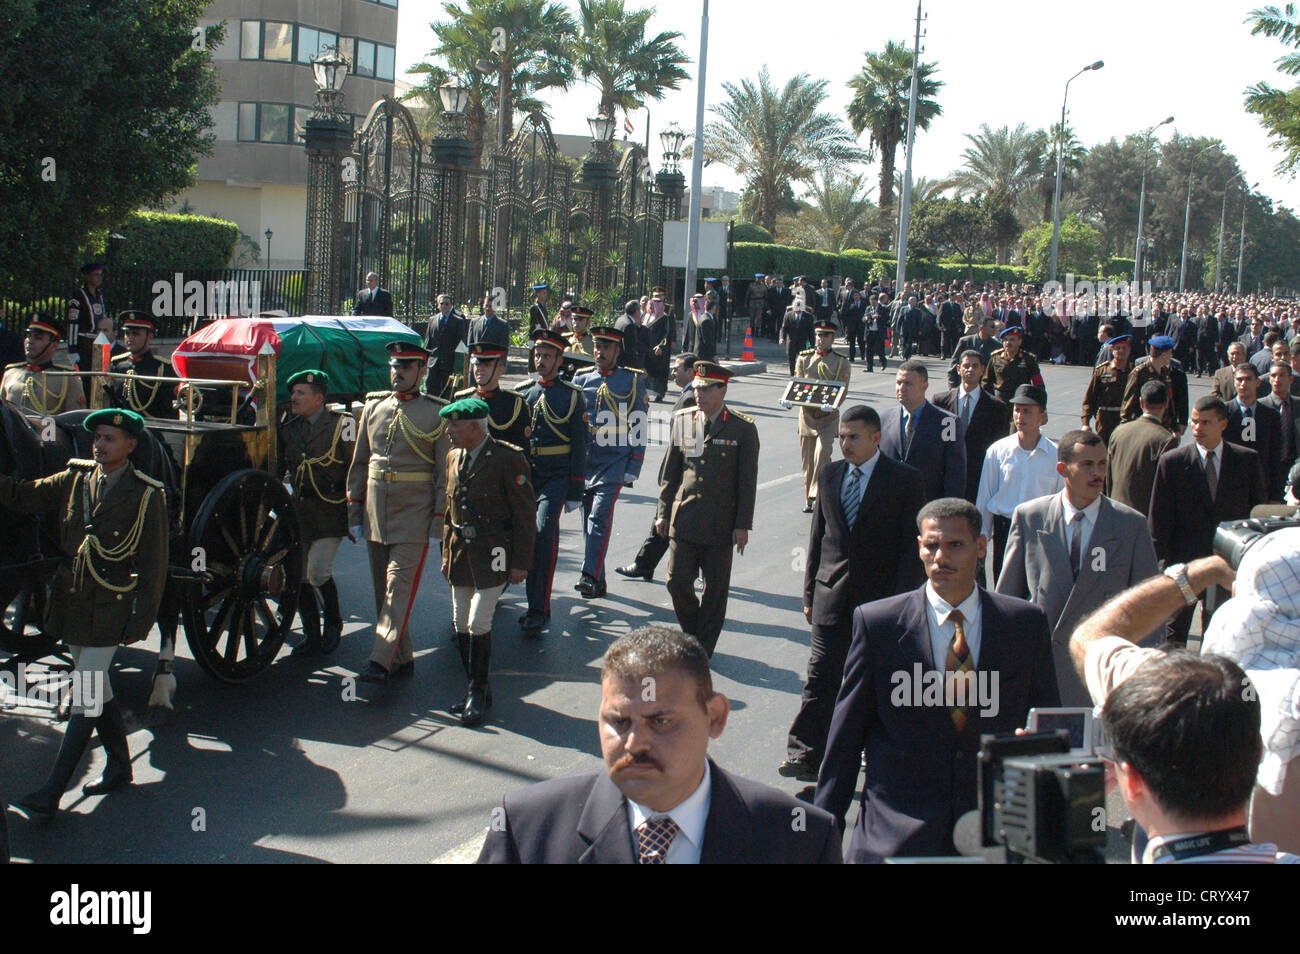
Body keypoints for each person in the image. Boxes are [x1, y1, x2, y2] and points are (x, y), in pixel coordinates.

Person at [814, 497, 1060, 863]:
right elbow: (845, 740)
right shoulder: (879, 625)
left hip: (991, 840)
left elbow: (1047, 731)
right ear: (919, 548)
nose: (941, 557)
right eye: (931, 545)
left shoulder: (1023, 625)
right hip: (895, 839)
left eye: (955, 545)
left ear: (981, 548)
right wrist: (822, 841)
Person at [477, 626, 841, 863]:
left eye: (661, 721)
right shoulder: (526, 832)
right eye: (619, 722)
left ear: (715, 717)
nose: (635, 744)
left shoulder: (801, 841)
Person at [1069, 555, 1300, 862]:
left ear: (1134, 783)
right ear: (1258, 752)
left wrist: (1197, 574)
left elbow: (1090, 638)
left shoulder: (1163, 687)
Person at [3, 409, 168, 820]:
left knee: (86, 694)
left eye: (110, 439)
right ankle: (120, 766)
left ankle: (52, 791)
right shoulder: (76, 477)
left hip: (111, 605)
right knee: (100, 692)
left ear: (131, 445)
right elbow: (26, 495)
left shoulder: (148, 495)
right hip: (73, 601)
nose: (100, 445)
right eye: (97, 438)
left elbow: (154, 567)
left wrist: (140, 621)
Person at [780, 405, 925, 782]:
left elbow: (912, 550)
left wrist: (904, 602)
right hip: (832, 595)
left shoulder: (904, 481)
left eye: (853, 437)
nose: (844, 443)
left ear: (876, 438)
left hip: (881, 603)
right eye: (841, 436)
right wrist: (810, 590)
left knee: (876, 680)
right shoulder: (829, 476)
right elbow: (819, 539)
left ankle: (871, 750)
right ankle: (805, 753)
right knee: (821, 675)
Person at [995, 429, 1158, 705]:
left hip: (1102, 676)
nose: (1098, 473)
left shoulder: (1131, 525)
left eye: (1102, 463)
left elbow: (1151, 608)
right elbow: (1007, 601)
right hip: (1042, 671)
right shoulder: (1030, 517)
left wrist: (1138, 674)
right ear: (1063, 469)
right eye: (1087, 465)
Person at [346, 342, 451, 684]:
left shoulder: (437, 413)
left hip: (414, 515)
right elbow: (360, 463)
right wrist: (354, 512)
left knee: (397, 587)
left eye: (407, 367)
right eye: (395, 366)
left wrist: (439, 519)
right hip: (377, 514)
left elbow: (442, 474)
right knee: (382, 591)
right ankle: (402, 656)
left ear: (422, 372)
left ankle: (379, 660)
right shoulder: (374, 407)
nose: (398, 372)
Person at [440, 397, 536, 726]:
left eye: (455, 424)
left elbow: (525, 515)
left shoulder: (508, 459)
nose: (448, 430)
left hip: (495, 551)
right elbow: (448, 512)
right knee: (460, 622)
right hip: (461, 553)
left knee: (479, 621)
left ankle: (477, 693)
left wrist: (521, 562)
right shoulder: (453, 457)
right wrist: (445, 555)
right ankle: (475, 689)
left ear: (475, 427)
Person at [656, 362, 759, 657]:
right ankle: (693, 635)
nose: (698, 394)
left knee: (715, 592)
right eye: (697, 388)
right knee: (676, 582)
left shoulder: (742, 428)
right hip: (685, 517)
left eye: (705, 388)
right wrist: (663, 512)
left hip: (720, 523)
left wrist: (743, 525)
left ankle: (702, 649)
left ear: (722, 390)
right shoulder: (684, 420)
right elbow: (670, 473)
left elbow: (746, 482)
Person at [1148, 395, 1266, 644]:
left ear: (1223, 424)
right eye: (1194, 422)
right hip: (1184, 567)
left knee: (1220, 636)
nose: (1197, 428)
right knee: (1174, 636)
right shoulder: (1173, 463)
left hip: (1227, 566)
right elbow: (1159, 522)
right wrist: (1163, 567)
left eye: (1205, 422)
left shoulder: (1246, 461)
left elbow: (1255, 516)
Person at [519, 330, 587, 635]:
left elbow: (579, 445)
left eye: (547, 356)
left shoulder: (572, 396)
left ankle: (538, 608)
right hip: (526, 475)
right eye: (538, 355)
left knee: (543, 533)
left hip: (556, 477)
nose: (541, 360)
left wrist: (575, 488)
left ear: (560, 360)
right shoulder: (524, 393)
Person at [277, 369, 349, 657]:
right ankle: (311, 633)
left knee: (318, 571)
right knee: (298, 575)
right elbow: (279, 469)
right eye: (292, 392)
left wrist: (358, 512)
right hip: (301, 512)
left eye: (300, 393)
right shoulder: (289, 427)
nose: (293, 398)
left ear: (319, 399)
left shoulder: (344, 425)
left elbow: (358, 467)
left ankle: (333, 624)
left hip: (332, 510)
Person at [573, 325, 648, 598]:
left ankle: (588, 574)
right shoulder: (581, 380)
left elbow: (638, 425)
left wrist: (634, 465)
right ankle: (598, 580)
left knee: (599, 516)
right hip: (586, 462)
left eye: (606, 347)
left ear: (618, 350)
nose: (599, 352)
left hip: (615, 461)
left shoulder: (632, 381)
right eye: (597, 346)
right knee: (587, 523)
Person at [615, 352, 697, 582]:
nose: (673, 371)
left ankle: (644, 564)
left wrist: (677, 474)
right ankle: (646, 565)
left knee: (664, 519)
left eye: (678, 368)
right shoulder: (687, 394)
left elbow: (687, 444)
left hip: (680, 471)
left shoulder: (691, 398)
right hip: (677, 470)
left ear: (691, 371)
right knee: (664, 519)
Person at [975, 384, 1063, 582]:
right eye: (1017, 410)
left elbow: (1061, 499)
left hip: (1041, 531)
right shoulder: (997, 451)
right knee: (1004, 585)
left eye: (1027, 411)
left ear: (1043, 416)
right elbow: (986, 495)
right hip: (1006, 529)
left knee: (1037, 587)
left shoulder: (1055, 455)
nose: (1020, 416)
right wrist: (981, 535)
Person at [784, 319, 851, 512]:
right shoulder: (804, 358)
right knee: (808, 461)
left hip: (827, 418)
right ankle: (809, 499)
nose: (820, 339)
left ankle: (819, 494)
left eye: (825, 336)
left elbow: (843, 389)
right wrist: (790, 400)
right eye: (818, 335)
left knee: (822, 454)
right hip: (807, 416)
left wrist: (834, 404)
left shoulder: (841, 361)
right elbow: (797, 384)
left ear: (833, 338)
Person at [878, 360, 965, 503]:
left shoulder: (947, 422)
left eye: (908, 384)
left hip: (928, 505)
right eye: (899, 383)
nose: (901, 388)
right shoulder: (883, 419)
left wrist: (950, 511)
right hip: (890, 507)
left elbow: (955, 473)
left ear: (924, 386)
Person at [931, 349, 1010, 504]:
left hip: (979, 479)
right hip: (945, 478)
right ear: (958, 369)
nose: (970, 369)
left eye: (975, 366)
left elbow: (1001, 447)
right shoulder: (940, 402)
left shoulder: (996, 407)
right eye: (966, 365)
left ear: (982, 370)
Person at [1106, 380, 1178, 517]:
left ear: (1141, 403)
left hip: (1114, 510)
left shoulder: (1119, 431)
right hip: (1143, 519)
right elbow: (1166, 489)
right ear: (1167, 404)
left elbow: (1109, 476)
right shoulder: (1166, 440)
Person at [2, 314, 87, 416]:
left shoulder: (67, 379)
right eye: (29, 336)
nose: (30, 341)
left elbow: (75, 422)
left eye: (38, 338)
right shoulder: (10, 373)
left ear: (53, 345)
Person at [454, 341, 530, 450]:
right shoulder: (462, 401)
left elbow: (523, 452)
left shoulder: (514, 404)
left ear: (501, 369)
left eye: (487, 365)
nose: (480, 368)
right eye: (477, 364)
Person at [1226, 362, 1285, 502]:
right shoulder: (1223, 413)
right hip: (1230, 488)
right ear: (1234, 382)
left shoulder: (1271, 416)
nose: (1243, 383)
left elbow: (1276, 457)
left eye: (1248, 379)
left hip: (1260, 487)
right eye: (1239, 379)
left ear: (1258, 382)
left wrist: (1275, 496)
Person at [103, 312, 177, 419]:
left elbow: (169, 412)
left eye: (136, 334)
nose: (130, 338)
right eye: (127, 334)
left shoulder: (163, 368)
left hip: (152, 428)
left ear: (149, 337)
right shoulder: (117, 364)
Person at [1121, 335, 1189, 437]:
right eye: (1170, 353)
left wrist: (1175, 427)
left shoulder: (1165, 372)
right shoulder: (1139, 373)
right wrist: (1125, 429)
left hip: (1163, 427)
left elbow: (1170, 402)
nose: (1171, 356)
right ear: (1164, 355)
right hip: (1142, 427)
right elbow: (1128, 403)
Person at [1081, 333, 1132, 446]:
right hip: (1105, 419)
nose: (1121, 351)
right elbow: (1090, 398)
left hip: (1126, 419)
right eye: (1118, 348)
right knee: (1104, 452)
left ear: (1129, 350)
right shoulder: (1102, 371)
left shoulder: (1134, 372)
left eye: (1124, 348)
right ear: (1112, 350)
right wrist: (1085, 422)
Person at [982, 326, 1045, 415]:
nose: (1008, 343)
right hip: (1000, 402)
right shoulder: (995, 358)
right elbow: (986, 382)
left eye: (1012, 340)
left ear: (1019, 342)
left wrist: (1041, 407)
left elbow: (1038, 384)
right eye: (1005, 340)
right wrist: (988, 401)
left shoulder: (1028, 360)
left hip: (1021, 403)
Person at [424, 293, 468, 398]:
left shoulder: (458, 321)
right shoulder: (432, 320)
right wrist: (424, 359)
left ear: (451, 305)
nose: (444, 306)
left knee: (446, 390)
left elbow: (461, 342)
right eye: (442, 303)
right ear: (438, 305)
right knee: (429, 388)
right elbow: (428, 341)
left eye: (447, 304)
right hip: (433, 361)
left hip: (449, 361)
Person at [65, 261, 106, 370]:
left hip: (98, 342)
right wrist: (72, 349)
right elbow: (73, 323)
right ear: (87, 276)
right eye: (96, 274)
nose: (99, 278)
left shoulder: (99, 296)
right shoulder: (78, 296)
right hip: (83, 343)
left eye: (100, 275)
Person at [1262, 361, 1300, 479]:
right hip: (1268, 467)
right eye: (1273, 376)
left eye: (1281, 375)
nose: (1277, 379)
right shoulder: (1260, 406)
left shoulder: (1298, 405)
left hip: (1295, 466)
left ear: (1290, 379)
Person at [946, 316, 999, 388]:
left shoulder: (997, 346)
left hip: (986, 389)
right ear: (982, 328)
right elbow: (953, 366)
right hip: (965, 386)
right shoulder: (965, 342)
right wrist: (952, 387)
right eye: (992, 327)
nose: (995, 329)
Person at [640, 291, 674, 401]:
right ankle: (646, 393)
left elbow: (666, 335)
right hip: (647, 350)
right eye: (650, 303)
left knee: (659, 374)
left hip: (658, 351)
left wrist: (661, 346)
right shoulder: (645, 317)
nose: (651, 306)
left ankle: (659, 394)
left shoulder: (664, 318)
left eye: (654, 304)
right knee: (647, 372)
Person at [779, 297, 813, 376]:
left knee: (803, 360)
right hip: (791, 342)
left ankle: (801, 375)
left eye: (799, 311)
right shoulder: (788, 315)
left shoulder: (808, 317)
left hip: (803, 342)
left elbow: (811, 332)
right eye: (796, 311)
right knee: (791, 360)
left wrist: (812, 345)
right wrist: (782, 338)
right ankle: (792, 375)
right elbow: (784, 328)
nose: (798, 312)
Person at [527, 283, 550, 373]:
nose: (545, 295)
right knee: (533, 356)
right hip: (536, 336)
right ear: (538, 294)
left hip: (542, 336)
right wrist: (532, 340)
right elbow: (533, 325)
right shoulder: (534, 308)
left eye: (545, 293)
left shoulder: (543, 307)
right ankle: (532, 374)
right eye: (543, 293)